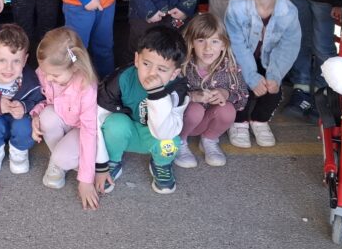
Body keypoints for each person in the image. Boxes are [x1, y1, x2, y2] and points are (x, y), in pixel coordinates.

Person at [98, 25, 190, 195]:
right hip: (127, 133)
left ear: (174, 73)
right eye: (146, 64)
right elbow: (97, 119)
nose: (151, 73)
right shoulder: (121, 78)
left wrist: (157, 94)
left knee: (171, 141)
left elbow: (165, 132)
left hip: (154, 137)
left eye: (161, 69)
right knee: (114, 123)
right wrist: (100, 164)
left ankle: (161, 164)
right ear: (136, 59)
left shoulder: (177, 88)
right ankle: (112, 160)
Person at [224, 0, 301, 148]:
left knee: (273, 89)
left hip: (269, 60)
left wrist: (275, 75)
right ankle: (239, 121)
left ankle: (260, 120)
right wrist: (250, 76)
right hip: (239, 59)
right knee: (239, 84)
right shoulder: (236, 6)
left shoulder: (289, 12)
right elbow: (237, 45)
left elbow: (288, 47)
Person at [32, 27, 104, 210]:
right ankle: (60, 158)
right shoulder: (46, 71)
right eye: (45, 72)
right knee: (45, 117)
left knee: (63, 158)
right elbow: (42, 100)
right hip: (62, 119)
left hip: (81, 129)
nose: (48, 78)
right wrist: (35, 114)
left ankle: (74, 162)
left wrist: (86, 181)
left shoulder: (86, 86)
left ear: (75, 67)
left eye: (55, 75)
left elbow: (89, 131)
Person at [174, 13, 248, 168]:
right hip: (182, 122)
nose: (208, 48)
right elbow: (168, 95)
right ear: (191, 43)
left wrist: (226, 94)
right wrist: (191, 96)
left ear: (223, 45)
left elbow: (243, 96)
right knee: (195, 109)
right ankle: (179, 141)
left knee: (227, 110)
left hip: (207, 122)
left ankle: (209, 139)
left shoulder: (230, 66)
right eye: (201, 40)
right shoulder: (183, 65)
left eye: (215, 41)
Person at [0, 23, 44, 176]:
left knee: (24, 125)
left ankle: (19, 151)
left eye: (16, 61)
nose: (9, 68)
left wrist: (24, 106)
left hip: (18, 123)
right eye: (2, 60)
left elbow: (39, 101)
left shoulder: (30, 80)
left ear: (25, 60)